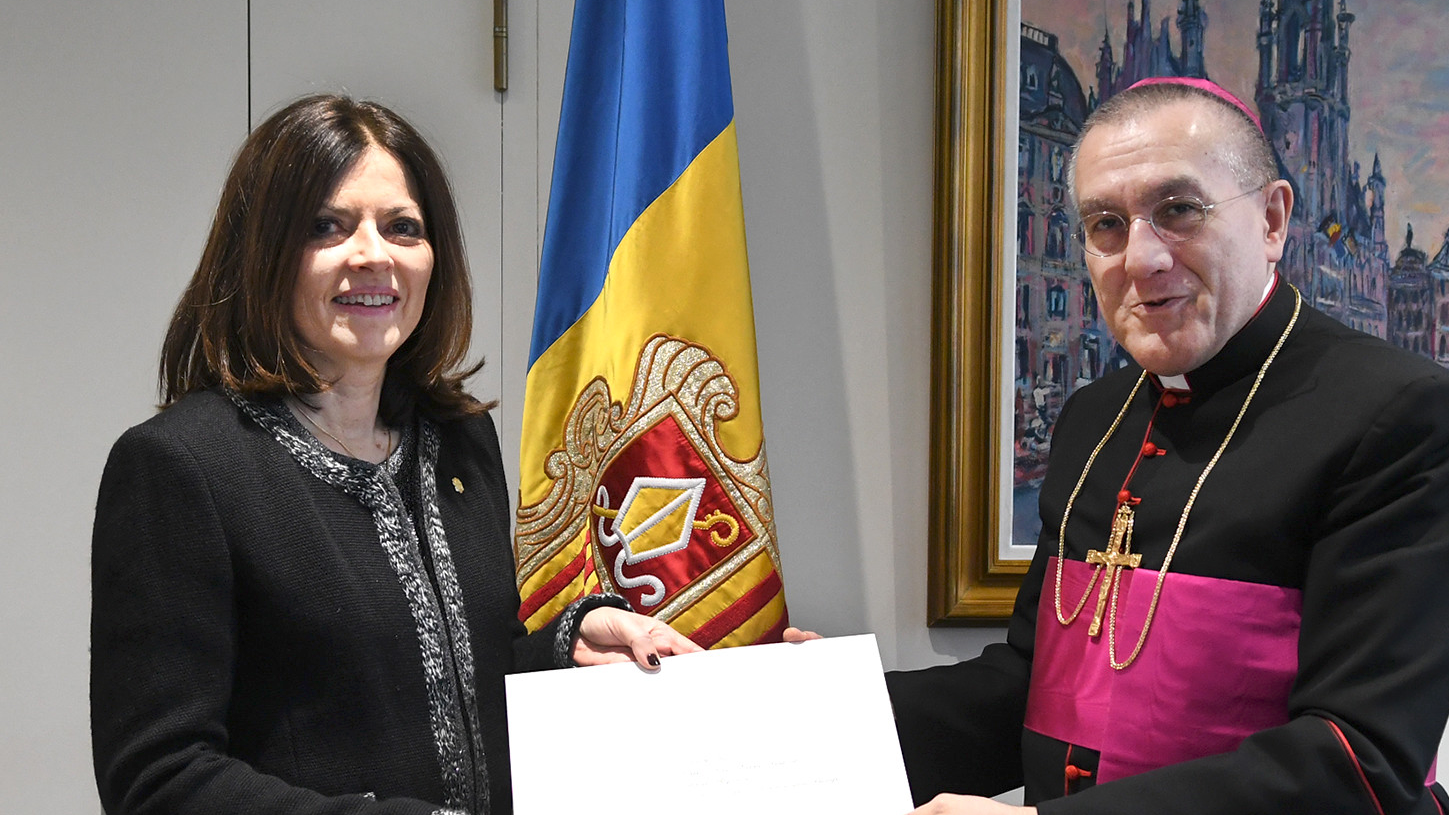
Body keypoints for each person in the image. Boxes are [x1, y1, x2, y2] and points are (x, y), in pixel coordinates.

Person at [90, 94, 703, 815]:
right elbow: (159, 779)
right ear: (262, 253)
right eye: (326, 226)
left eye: (402, 227)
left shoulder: (459, 439)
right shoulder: (180, 467)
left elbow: (463, 673)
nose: (373, 255)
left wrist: (571, 645)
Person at [886, 78, 1449, 814]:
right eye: (1106, 224)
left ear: (1272, 220)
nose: (1140, 258)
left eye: (1178, 210)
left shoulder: (1400, 413)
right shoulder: (1093, 417)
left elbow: (1359, 759)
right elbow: (1032, 685)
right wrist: (812, 711)